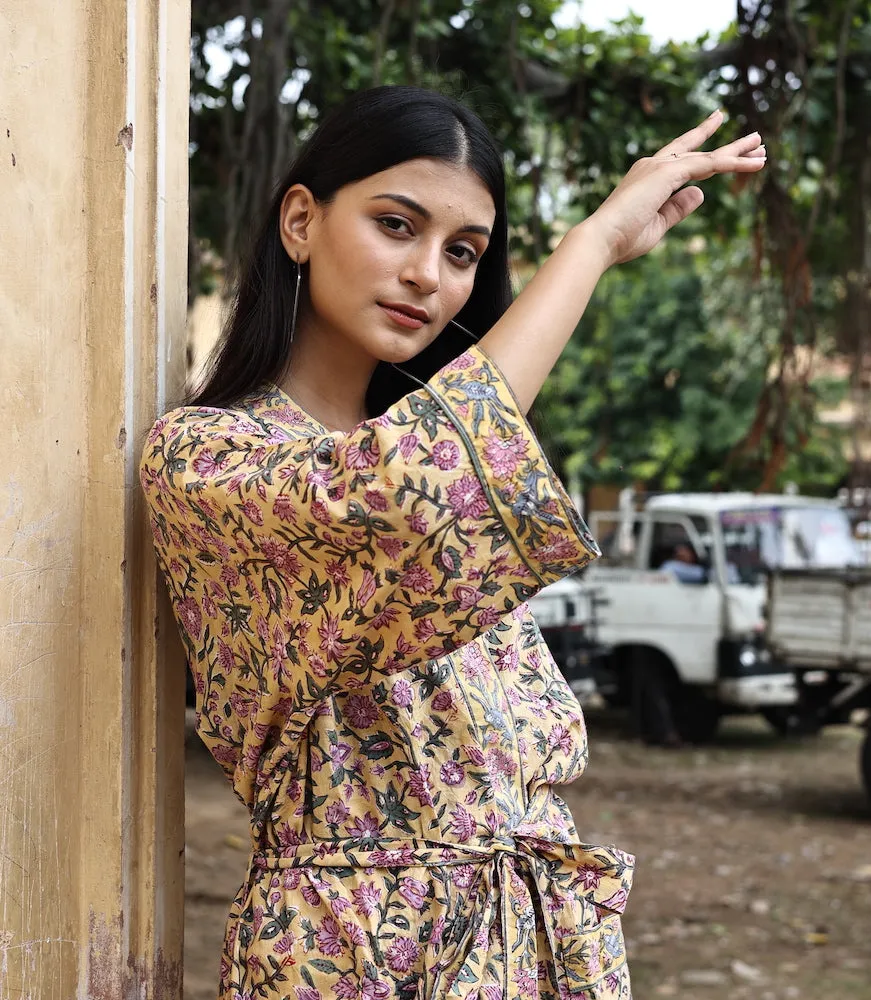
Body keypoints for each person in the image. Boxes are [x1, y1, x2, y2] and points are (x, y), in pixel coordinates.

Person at [141, 85, 765, 1000]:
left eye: (464, 252)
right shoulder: (210, 460)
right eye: (398, 225)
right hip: (352, 954)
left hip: (528, 943)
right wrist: (589, 247)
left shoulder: (457, 482)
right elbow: (393, 492)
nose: (430, 275)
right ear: (302, 220)